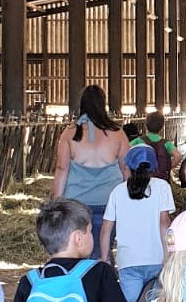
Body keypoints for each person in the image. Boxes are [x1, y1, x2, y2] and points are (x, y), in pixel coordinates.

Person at [52, 85, 129, 250]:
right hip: (109, 201)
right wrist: (129, 199)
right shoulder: (118, 133)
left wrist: (56, 203)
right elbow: (126, 169)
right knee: (104, 248)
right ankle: (103, 270)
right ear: (104, 104)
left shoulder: (69, 133)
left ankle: (83, 274)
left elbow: (61, 168)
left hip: (76, 204)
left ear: (82, 104)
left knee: (77, 251)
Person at [101, 145, 175, 302]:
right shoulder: (163, 187)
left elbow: (106, 229)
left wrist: (106, 258)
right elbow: (165, 224)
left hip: (128, 261)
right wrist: (169, 254)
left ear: (127, 166)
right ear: (153, 167)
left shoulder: (117, 192)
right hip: (157, 259)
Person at [133, 111, 178, 182]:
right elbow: (178, 156)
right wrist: (168, 167)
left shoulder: (138, 141)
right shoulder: (167, 143)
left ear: (146, 125)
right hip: (161, 179)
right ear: (162, 127)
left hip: (143, 179)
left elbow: (126, 152)